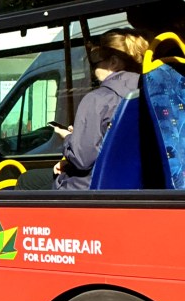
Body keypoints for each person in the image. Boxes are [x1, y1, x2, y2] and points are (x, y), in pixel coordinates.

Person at [17, 29, 149, 191]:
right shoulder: (148, 92)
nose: (93, 66)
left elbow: (82, 160)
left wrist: (69, 137)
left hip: (89, 186)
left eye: (96, 59)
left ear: (114, 62)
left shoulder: (97, 99)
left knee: (26, 181)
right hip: (127, 182)